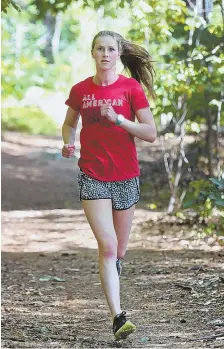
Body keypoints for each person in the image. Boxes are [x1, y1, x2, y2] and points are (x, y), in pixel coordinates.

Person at [61, 30, 157, 340]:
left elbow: (150, 132)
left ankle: (113, 277)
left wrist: (119, 120)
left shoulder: (131, 89)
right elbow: (69, 124)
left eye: (111, 49)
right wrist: (68, 143)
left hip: (126, 176)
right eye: (100, 48)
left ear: (118, 55)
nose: (105, 53)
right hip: (93, 175)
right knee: (108, 246)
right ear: (92, 53)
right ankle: (118, 316)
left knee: (119, 253)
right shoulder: (80, 90)